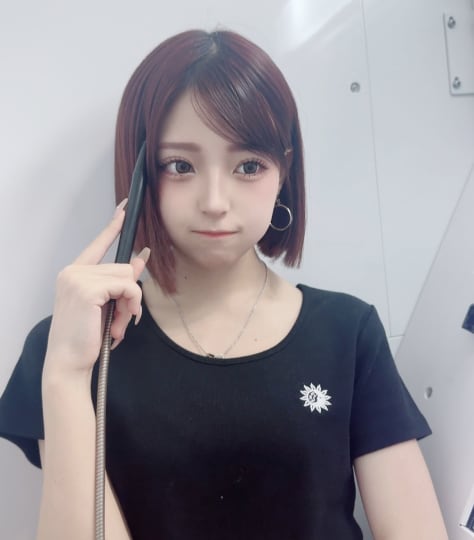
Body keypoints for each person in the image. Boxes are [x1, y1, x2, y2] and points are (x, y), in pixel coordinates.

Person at [0, 29, 448, 540]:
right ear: (140, 173)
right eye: (180, 166)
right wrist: (64, 375)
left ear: (283, 171)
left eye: (248, 166)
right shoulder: (74, 345)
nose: (215, 201)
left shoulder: (347, 334)